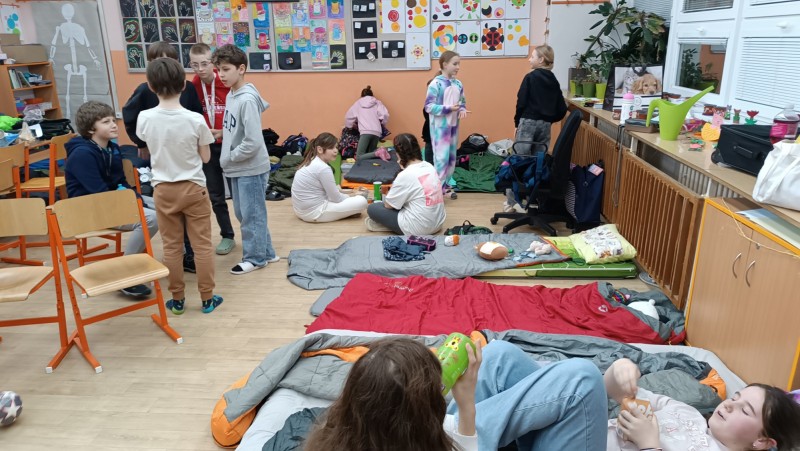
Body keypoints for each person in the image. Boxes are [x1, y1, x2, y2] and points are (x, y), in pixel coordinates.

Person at [304, 338, 609, 450]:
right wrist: (467, 408)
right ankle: (580, 413)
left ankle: (565, 422)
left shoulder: (347, 434)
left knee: (497, 357)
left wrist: (464, 406)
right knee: (583, 381)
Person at [135, 57, 222, 315]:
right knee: (202, 246)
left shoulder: (144, 117)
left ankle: (178, 300)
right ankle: (207, 299)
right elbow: (205, 158)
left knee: (172, 247)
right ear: (184, 86)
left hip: (163, 189)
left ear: (151, 86)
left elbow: (147, 145)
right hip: (193, 187)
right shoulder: (195, 119)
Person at [122, 41, 204, 274]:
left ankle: (190, 252)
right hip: (160, 159)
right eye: (158, 60)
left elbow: (197, 116)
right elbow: (130, 115)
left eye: (169, 59)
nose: (164, 65)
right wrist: (141, 143)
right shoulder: (145, 90)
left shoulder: (187, 88)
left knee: (190, 205)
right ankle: (178, 253)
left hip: (186, 158)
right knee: (170, 207)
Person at [64, 100, 158, 299]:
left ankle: (163, 258)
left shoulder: (112, 148)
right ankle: (125, 274)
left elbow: (120, 182)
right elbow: (99, 193)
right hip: (89, 209)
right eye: (106, 122)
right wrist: (134, 204)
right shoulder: (81, 155)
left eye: (113, 120)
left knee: (163, 206)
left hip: (109, 201)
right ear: (91, 129)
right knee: (151, 218)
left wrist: (137, 199)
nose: (114, 125)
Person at [605, 357, 800, 450]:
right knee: (589, 375)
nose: (729, 404)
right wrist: (619, 371)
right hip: (591, 428)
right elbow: (620, 393)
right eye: (735, 397)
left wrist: (648, 444)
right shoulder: (687, 411)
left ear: (762, 441)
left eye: (745, 410)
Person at [213, 44, 279, 275]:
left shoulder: (247, 100)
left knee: (251, 215)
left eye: (226, 69)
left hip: (249, 167)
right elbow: (237, 129)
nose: (221, 75)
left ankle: (255, 258)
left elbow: (252, 141)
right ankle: (267, 252)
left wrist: (230, 156)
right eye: (218, 70)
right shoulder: (232, 94)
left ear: (241, 69)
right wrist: (221, 133)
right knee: (246, 213)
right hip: (238, 167)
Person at [507, 44, 567, 213]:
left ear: (541, 60)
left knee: (518, 161)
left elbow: (521, 102)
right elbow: (561, 109)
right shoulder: (554, 80)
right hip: (545, 126)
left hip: (528, 123)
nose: (529, 59)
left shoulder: (530, 78)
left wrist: (517, 123)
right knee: (537, 163)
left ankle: (512, 202)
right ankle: (533, 199)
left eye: (532, 56)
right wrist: (549, 120)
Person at [189, 43, 236, 256]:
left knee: (239, 194)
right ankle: (227, 235)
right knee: (216, 196)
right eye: (195, 65)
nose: (200, 69)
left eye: (205, 64)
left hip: (229, 144)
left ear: (213, 63)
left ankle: (250, 234)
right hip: (207, 147)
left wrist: (224, 133)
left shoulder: (226, 81)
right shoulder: (193, 86)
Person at [365, 134, 445, 235]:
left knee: (373, 208)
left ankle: (392, 226)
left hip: (420, 228)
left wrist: (390, 191)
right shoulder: (430, 166)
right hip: (438, 223)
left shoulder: (405, 174)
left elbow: (388, 205)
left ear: (399, 154)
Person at [291, 132, 368, 223]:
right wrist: (352, 197)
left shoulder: (312, 161)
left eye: (336, 147)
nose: (336, 151)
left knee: (344, 195)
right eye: (331, 148)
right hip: (314, 213)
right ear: (320, 149)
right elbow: (336, 198)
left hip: (300, 211)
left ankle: (349, 211)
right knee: (362, 201)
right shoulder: (323, 168)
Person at [424, 50, 468, 199]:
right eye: (455, 64)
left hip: (453, 127)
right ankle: (437, 189)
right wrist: (448, 108)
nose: (458, 67)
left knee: (451, 159)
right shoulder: (436, 84)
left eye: (459, 64)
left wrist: (462, 109)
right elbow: (429, 107)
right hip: (440, 129)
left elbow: (462, 102)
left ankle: (445, 186)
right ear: (444, 64)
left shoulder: (458, 84)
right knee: (441, 159)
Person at [344, 85, 390, 161]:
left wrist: (350, 126)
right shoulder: (377, 102)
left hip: (365, 131)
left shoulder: (358, 103)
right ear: (372, 95)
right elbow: (385, 114)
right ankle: (381, 151)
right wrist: (383, 123)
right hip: (377, 132)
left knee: (359, 157)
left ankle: (379, 152)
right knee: (370, 155)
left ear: (362, 95)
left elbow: (348, 117)